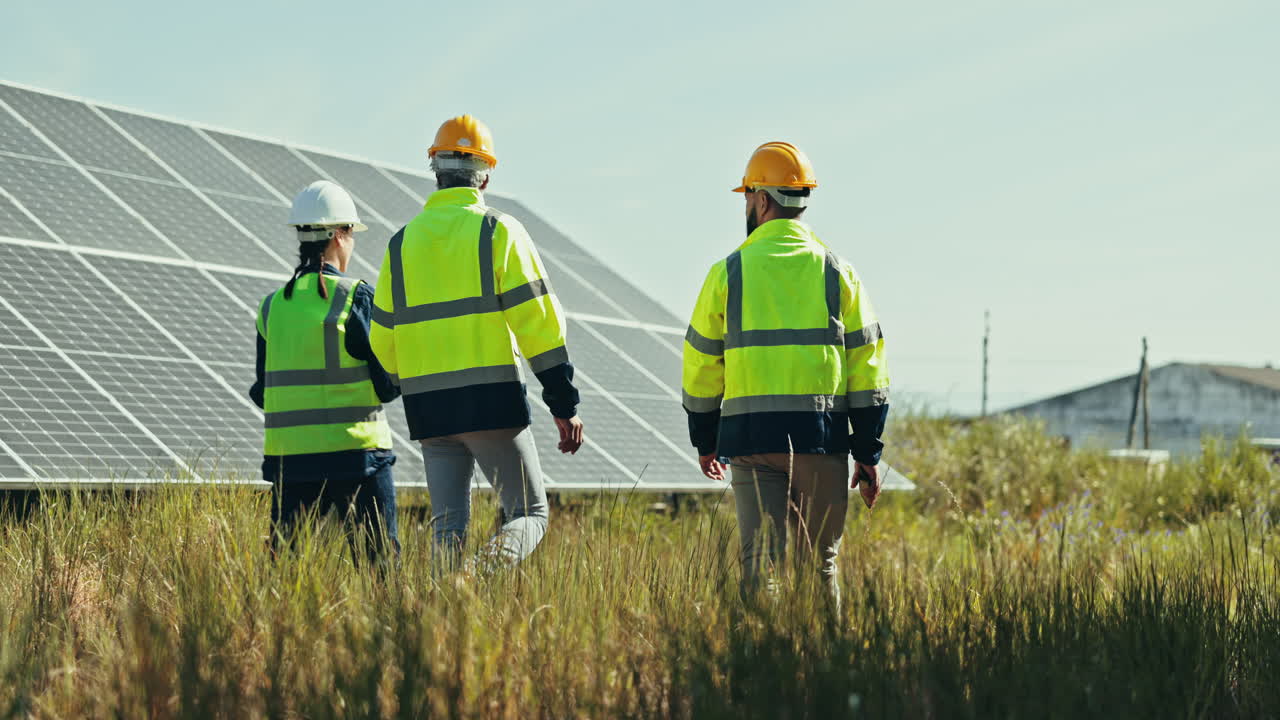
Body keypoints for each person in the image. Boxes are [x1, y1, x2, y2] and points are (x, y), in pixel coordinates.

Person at [369, 115, 584, 571]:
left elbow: (383, 341)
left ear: (435, 170)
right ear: (485, 174)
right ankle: (473, 579)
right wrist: (563, 403)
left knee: (447, 526)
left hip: (428, 407)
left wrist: (407, 379)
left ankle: (440, 619)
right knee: (530, 513)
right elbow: (539, 324)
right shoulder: (497, 231)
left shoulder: (400, 244)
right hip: (490, 401)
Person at [681, 142, 890, 607]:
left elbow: (700, 362)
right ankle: (827, 672)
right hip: (821, 440)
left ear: (761, 199)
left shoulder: (727, 273)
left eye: (747, 196)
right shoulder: (839, 272)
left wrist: (705, 437)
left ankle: (761, 670)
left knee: (759, 563)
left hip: (751, 442)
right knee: (820, 566)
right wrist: (868, 450)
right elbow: (868, 364)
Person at [250, 180, 401, 564]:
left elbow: (262, 391)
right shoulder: (355, 297)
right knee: (379, 565)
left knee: (285, 570)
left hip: (291, 463)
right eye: (351, 234)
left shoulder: (271, 308)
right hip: (357, 458)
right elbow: (387, 386)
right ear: (339, 235)